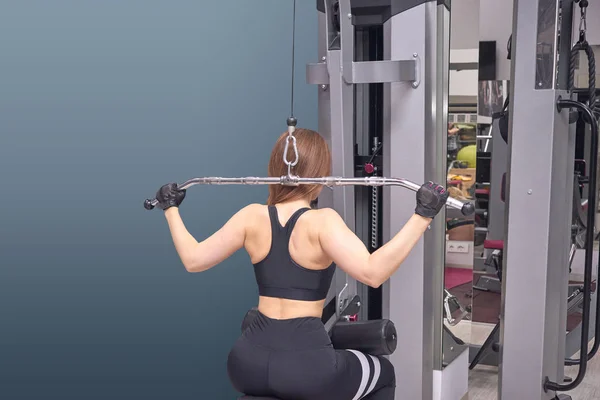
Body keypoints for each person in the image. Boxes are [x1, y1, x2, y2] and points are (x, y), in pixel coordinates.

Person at [153, 128, 449, 400]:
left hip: (246, 365)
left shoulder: (251, 216)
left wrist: (171, 209)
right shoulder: (323, 222)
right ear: (320, 176)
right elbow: (373, 273)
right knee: (383, 373)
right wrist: (422, 215)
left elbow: (193, 260)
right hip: (306, 368)